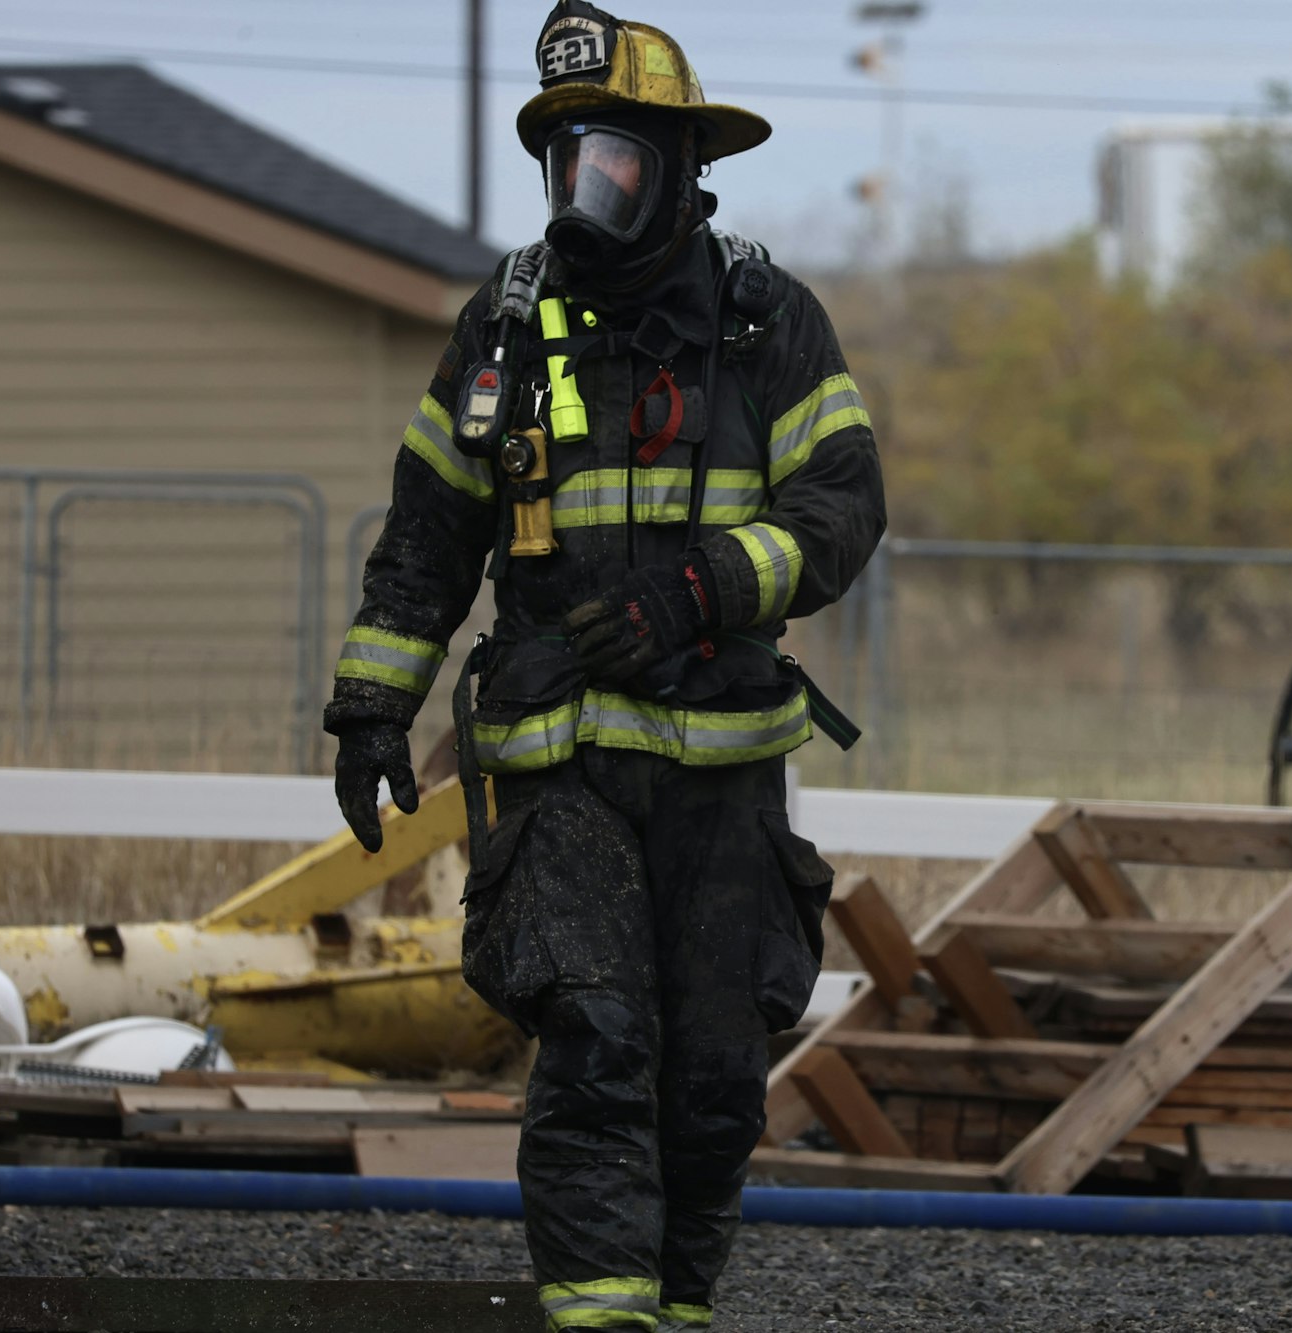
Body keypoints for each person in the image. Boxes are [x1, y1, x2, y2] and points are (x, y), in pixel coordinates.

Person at [324, 5, 886, 1329]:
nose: (591, 189)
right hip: (554, 765)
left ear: (685, 168)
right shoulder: (504, 329)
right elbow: (427, 533)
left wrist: (697, 590)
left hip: (721, 780)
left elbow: (842, 509)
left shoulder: (768, 327)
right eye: (569, 158)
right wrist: (370, 710)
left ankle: (673, 1312)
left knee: (709, 1084)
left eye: (617, 159)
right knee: (595, 1048)